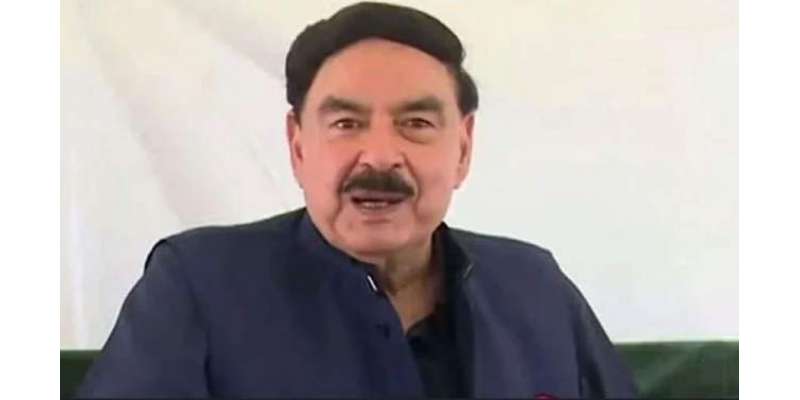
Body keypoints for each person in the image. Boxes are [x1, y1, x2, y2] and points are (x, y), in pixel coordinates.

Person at [77, 2, 637, 398]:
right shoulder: (198, 285)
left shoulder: (535, 287)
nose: (380, 156)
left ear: (463, 149)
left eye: (416, 123)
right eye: (346, 123)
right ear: (299, 146)